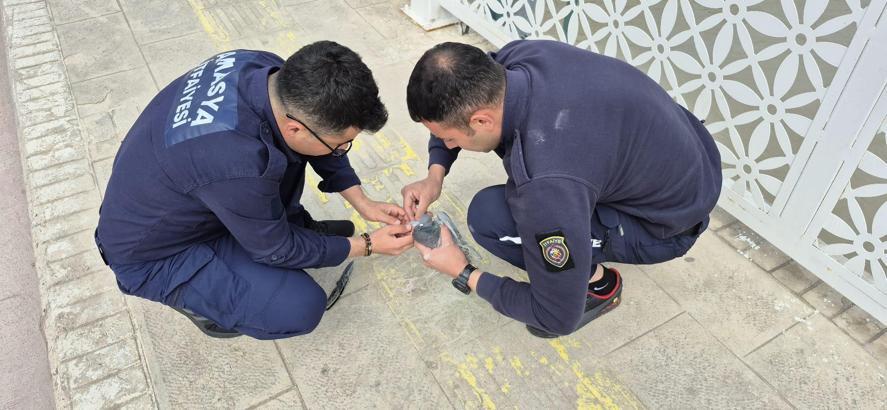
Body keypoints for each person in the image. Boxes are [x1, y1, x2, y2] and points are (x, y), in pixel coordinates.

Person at [401, 40, 722, 338]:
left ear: (482, 121)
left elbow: (556, 317)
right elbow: (452, 112)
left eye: (450, 139)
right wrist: (435, 174)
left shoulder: (545, 183)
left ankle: (598, 286)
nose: (447, 144)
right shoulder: (519, 59)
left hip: (668, 225)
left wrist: (462, 271)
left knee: (489, 219)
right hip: (694, 159)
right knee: (544, 204)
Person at [95, 41, 414, 340]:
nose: (343, 149)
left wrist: (362, 202)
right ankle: (205, 301)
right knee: (299, 306)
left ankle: (271, 228)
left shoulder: (267, 71)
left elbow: (316, 142)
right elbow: (277, 249)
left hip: (197, 195)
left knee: (285, 157)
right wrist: (367, 245)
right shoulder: (236, 160)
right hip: (157, 254)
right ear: (296, 127)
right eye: (341, 144)